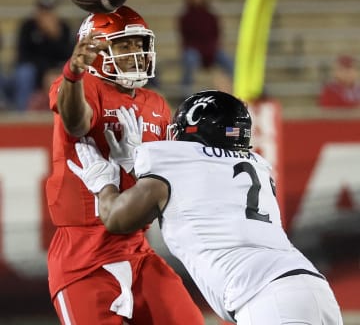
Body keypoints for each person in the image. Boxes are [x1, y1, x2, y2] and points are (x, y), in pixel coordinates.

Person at [68, 90, 343, 325]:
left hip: (265, 297)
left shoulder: (174, 162)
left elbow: (116, 219)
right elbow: (200, 190)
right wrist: (136, 165)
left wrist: (103, 182)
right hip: (314, 289)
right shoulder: (257, 165)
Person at [46, 6, 204, 324]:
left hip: (137, 250)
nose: (135, 52)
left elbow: (168, 184)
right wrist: (73, 74)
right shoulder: (83, 87)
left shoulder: (156, 104)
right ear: (99, 51)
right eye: (124, 44)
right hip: (84, 255)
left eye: (139, 44)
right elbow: (76, 122)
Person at [12, 0, 73, 111]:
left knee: (67, 75)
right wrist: (44, 69)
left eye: (49, 11)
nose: (45, 15)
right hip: (34, 67)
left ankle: (64, 113)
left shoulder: (63, 27)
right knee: (24, 74)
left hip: (55, 67)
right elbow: (22, 55)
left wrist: (54, 36)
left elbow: (67, 55)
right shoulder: (27, 26)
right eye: (42, 11)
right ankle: (21, 113)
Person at [177, 0, 234, 96]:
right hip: (194, 51)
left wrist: (210, 52)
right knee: (190, 59)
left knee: (230, 63)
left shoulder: (211, 16)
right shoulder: (185, 17)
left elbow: (216, 36)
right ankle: (184, 94)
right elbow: (187, 39)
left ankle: (240, 91)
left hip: (211, 50)